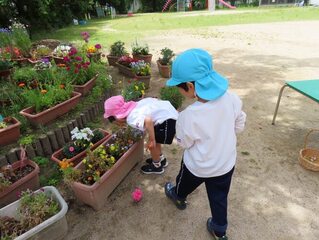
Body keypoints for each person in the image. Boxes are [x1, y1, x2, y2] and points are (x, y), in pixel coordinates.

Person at [164, 48, 246, 240]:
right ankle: (219, 229)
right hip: (225, 164)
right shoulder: (232, 99)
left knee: (184, 182)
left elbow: (184, 143)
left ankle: (178, 195)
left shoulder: (189, 116)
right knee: (219, 197)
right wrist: (225, 134)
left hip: (197, 166)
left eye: (179, 86)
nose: (178, 89)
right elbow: (240, 123)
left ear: (190, 87)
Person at [104, 95, 178, 174]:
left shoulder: (131, 118)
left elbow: (148, 121)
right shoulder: (137, 104)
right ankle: (161, 159)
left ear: (117, 117)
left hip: (168, 121)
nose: (118, 125)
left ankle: (157, 166)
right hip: (169, 114)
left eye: (116, 122)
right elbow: (153, 100)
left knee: (152, 145)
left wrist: (151, 139)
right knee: (156, 141)